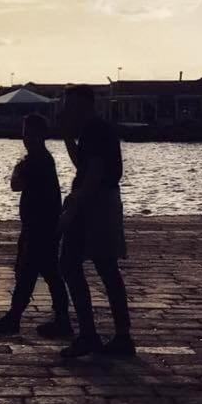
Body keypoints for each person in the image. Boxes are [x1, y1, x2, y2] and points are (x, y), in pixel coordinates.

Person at [57, 84, 135, 358]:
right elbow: (85, 166)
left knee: (76, 263)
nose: (68, 111)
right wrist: (68, 140)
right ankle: (115, 335)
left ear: (85, 106)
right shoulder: (92, 131)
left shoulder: (95, 130)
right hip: (97, 201)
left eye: (72, 106)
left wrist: (72, 209)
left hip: (96, 204)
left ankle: (95, 335)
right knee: (101, 267)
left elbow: (94, 175)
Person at [0, 113, 72, 338]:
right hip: (41, 224)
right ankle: (58, 319)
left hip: (39, 225)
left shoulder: (36, 160)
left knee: (31, 273)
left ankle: (18, 319)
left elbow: (16, 185)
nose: (26, 138)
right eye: (25, 133)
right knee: (46, 273)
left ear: (40, 134)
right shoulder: (42, 158)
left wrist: (17, 168)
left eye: (29, 133)